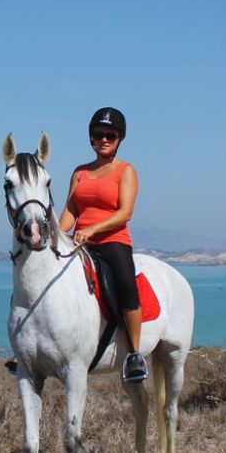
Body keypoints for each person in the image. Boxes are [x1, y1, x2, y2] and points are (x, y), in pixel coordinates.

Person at [59, 107, 148, 381]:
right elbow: (71, 210)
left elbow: (125, 213)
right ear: (91, 138)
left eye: (110, 134)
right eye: (99, 134)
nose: (104, 139)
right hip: (80, 242)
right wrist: (57, 236)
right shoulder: (79, 173)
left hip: (112, 240)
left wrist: (93, 229)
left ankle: (134, 355)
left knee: (125, 286)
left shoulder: (126, 171)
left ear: (119, 138)